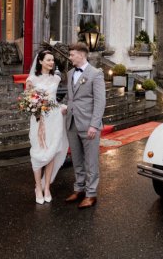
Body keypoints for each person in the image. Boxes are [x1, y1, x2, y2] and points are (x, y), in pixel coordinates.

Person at [63, 42, 106, 209]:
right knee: (77, 160)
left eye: (72, 54)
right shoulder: (70, 73)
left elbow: (100, 101)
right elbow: (71, 97)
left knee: (91, 161)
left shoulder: (96, 74)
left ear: (82, 55)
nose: (70, 57)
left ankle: (91, 193)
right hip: (72, 123)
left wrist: (94, 125)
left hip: (89, 124)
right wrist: (65, 107)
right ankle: (79, 189)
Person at [26, 50, 68, 205]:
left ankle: (47, 187)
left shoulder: (56, 78)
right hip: (38, 120)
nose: (52, 63)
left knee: (52, 151)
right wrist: (35, 108)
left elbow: (54, 101)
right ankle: (38, 187)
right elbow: (27, 101)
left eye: (52, 60)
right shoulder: (31, 79)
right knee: (38, 152)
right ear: (41, 62)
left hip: (54, 119)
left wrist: (61, 107)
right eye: (49, 60)